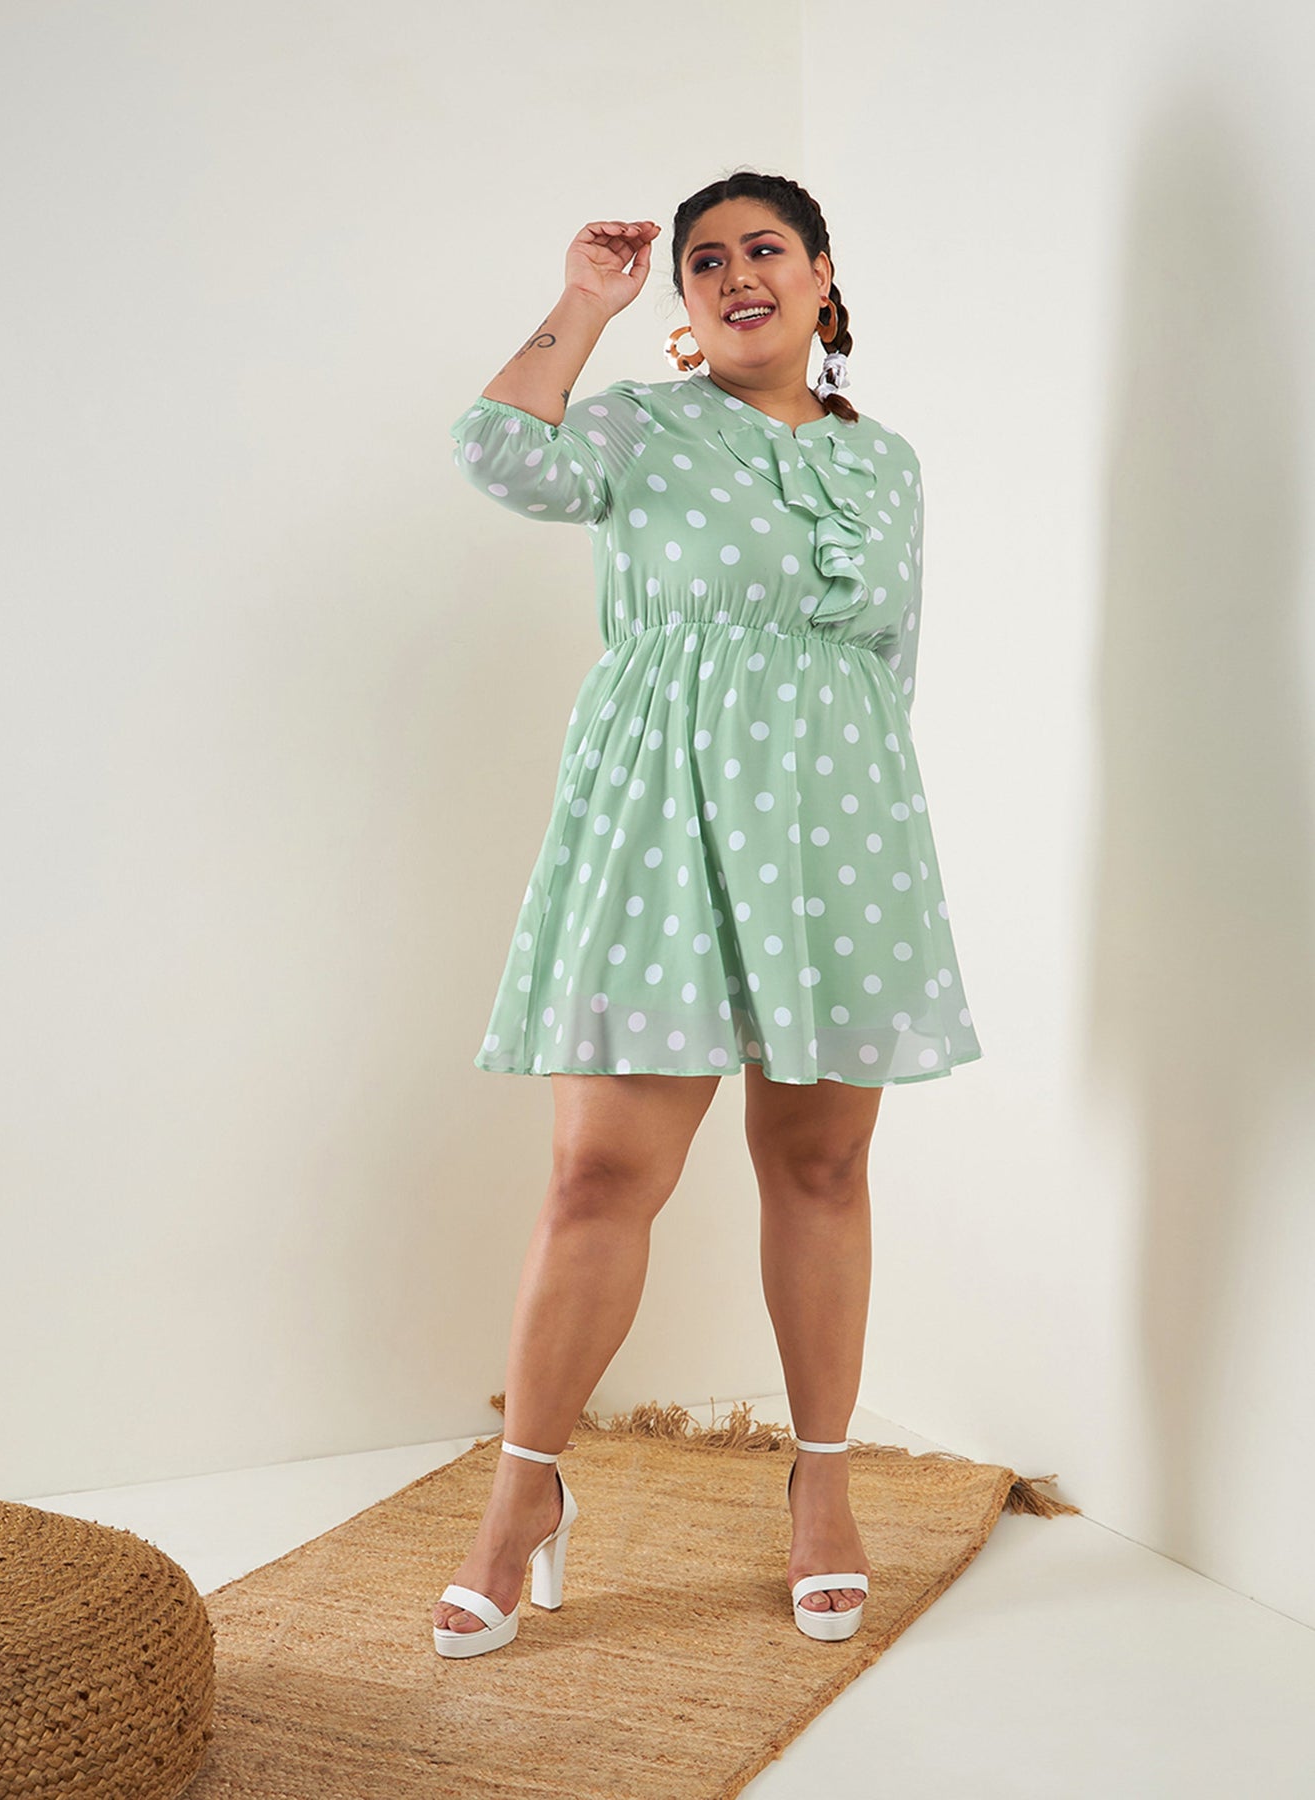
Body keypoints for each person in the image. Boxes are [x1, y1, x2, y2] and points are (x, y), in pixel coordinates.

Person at [432, 170, 983, 1658]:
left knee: (821, 1166)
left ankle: (822, 1487)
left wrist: (854, 823)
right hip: (659, 827)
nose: (738, 274)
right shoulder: (634, 426)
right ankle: (524, 1494)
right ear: (681, 300)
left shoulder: (887, 464)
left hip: (838, 832)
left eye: (766, 249)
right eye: (706, 261)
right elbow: (495, 450)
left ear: (821, 275)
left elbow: (890, 663)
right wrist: (584, 302)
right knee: (598, 1174)